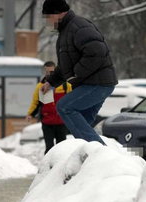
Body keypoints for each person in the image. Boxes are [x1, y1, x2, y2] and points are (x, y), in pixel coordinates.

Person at [41, 0, 118, 145]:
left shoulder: (78, 27)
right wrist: (51, 82)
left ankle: (100, 153)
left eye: (48, 17)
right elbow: (65, 66)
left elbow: (97, 52)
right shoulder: (66, 31)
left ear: (58, 13)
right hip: (94, 83)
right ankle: (87, 156)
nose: (47, 22)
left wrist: (76, 74)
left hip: (97, 83)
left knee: (65, 107)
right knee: (80, 124)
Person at [26, 61, 71, 154]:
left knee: (62, 148)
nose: (49, 74)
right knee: (49, 148)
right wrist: (30, 114)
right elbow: (36, 102)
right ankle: (48, 166)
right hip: (47, 122)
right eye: (47, 72)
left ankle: (60, 166)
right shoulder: (40, 87)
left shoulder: (66, 86)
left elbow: (72, 100)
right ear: (44, 72)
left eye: (52, 72)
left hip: (61, 121)